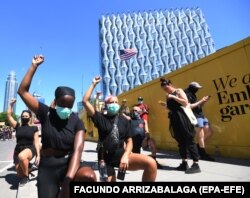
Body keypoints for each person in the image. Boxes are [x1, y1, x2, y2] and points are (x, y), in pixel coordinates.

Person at [18, 55, 96, 198]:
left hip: (69, 162)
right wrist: (34, 66)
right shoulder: (45, 113)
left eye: (70, 106)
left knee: (89, 177)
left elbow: (78, 150)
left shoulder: (76, 121)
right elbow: (22, 92)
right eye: (62, 104)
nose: (66, 108)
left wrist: (68, 180)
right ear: (56, 101)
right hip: (48, 165)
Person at [82, 76, 157, 182]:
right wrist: (93, 84)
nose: (114, 104)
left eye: (116, 102)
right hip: (105, 158)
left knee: (151, 163)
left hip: (121, 154)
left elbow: (129, 140)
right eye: (111, 102)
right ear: (106, 105)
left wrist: (126, 156)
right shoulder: (100, 118)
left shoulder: (124, 120)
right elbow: (85, 101)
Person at [160, 78, 201, 174]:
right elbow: (171, 108)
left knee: (189, 139)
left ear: (170, 84)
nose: (166, 90)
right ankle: (184, 163)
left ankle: (196, 164)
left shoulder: (178, 91)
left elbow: (185, 102)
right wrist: (165, 106)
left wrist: (173, 97)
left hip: (183, 118)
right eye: (164, 89)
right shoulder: (167, 95)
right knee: (181, 141)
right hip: (175, 119)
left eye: (166, 87)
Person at [7, 98, 40, 186]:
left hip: (29, 148)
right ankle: (29, 167)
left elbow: (36, 142)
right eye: (23, 116)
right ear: (21, 117)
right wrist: (10, 105)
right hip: (18, 149)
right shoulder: (17, 126)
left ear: (30, 117)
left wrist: (38, 155)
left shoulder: (34, 128)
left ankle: (26, 177)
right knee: (19, 174)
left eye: (26, 116)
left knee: (22, 157)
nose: (24, 117)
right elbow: (9, 116)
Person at [184, 82, 215, 161]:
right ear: (192, 87)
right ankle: (202, 153)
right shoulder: (186, 94)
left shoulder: (193, 94)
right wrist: (201, 100)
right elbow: (189, 106)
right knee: (201, 134)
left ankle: (198, 146)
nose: (197, 89)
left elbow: (198, 105)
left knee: (210, 131)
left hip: (201, 115)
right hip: (195, 116)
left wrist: (204, 101)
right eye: (197, 88)